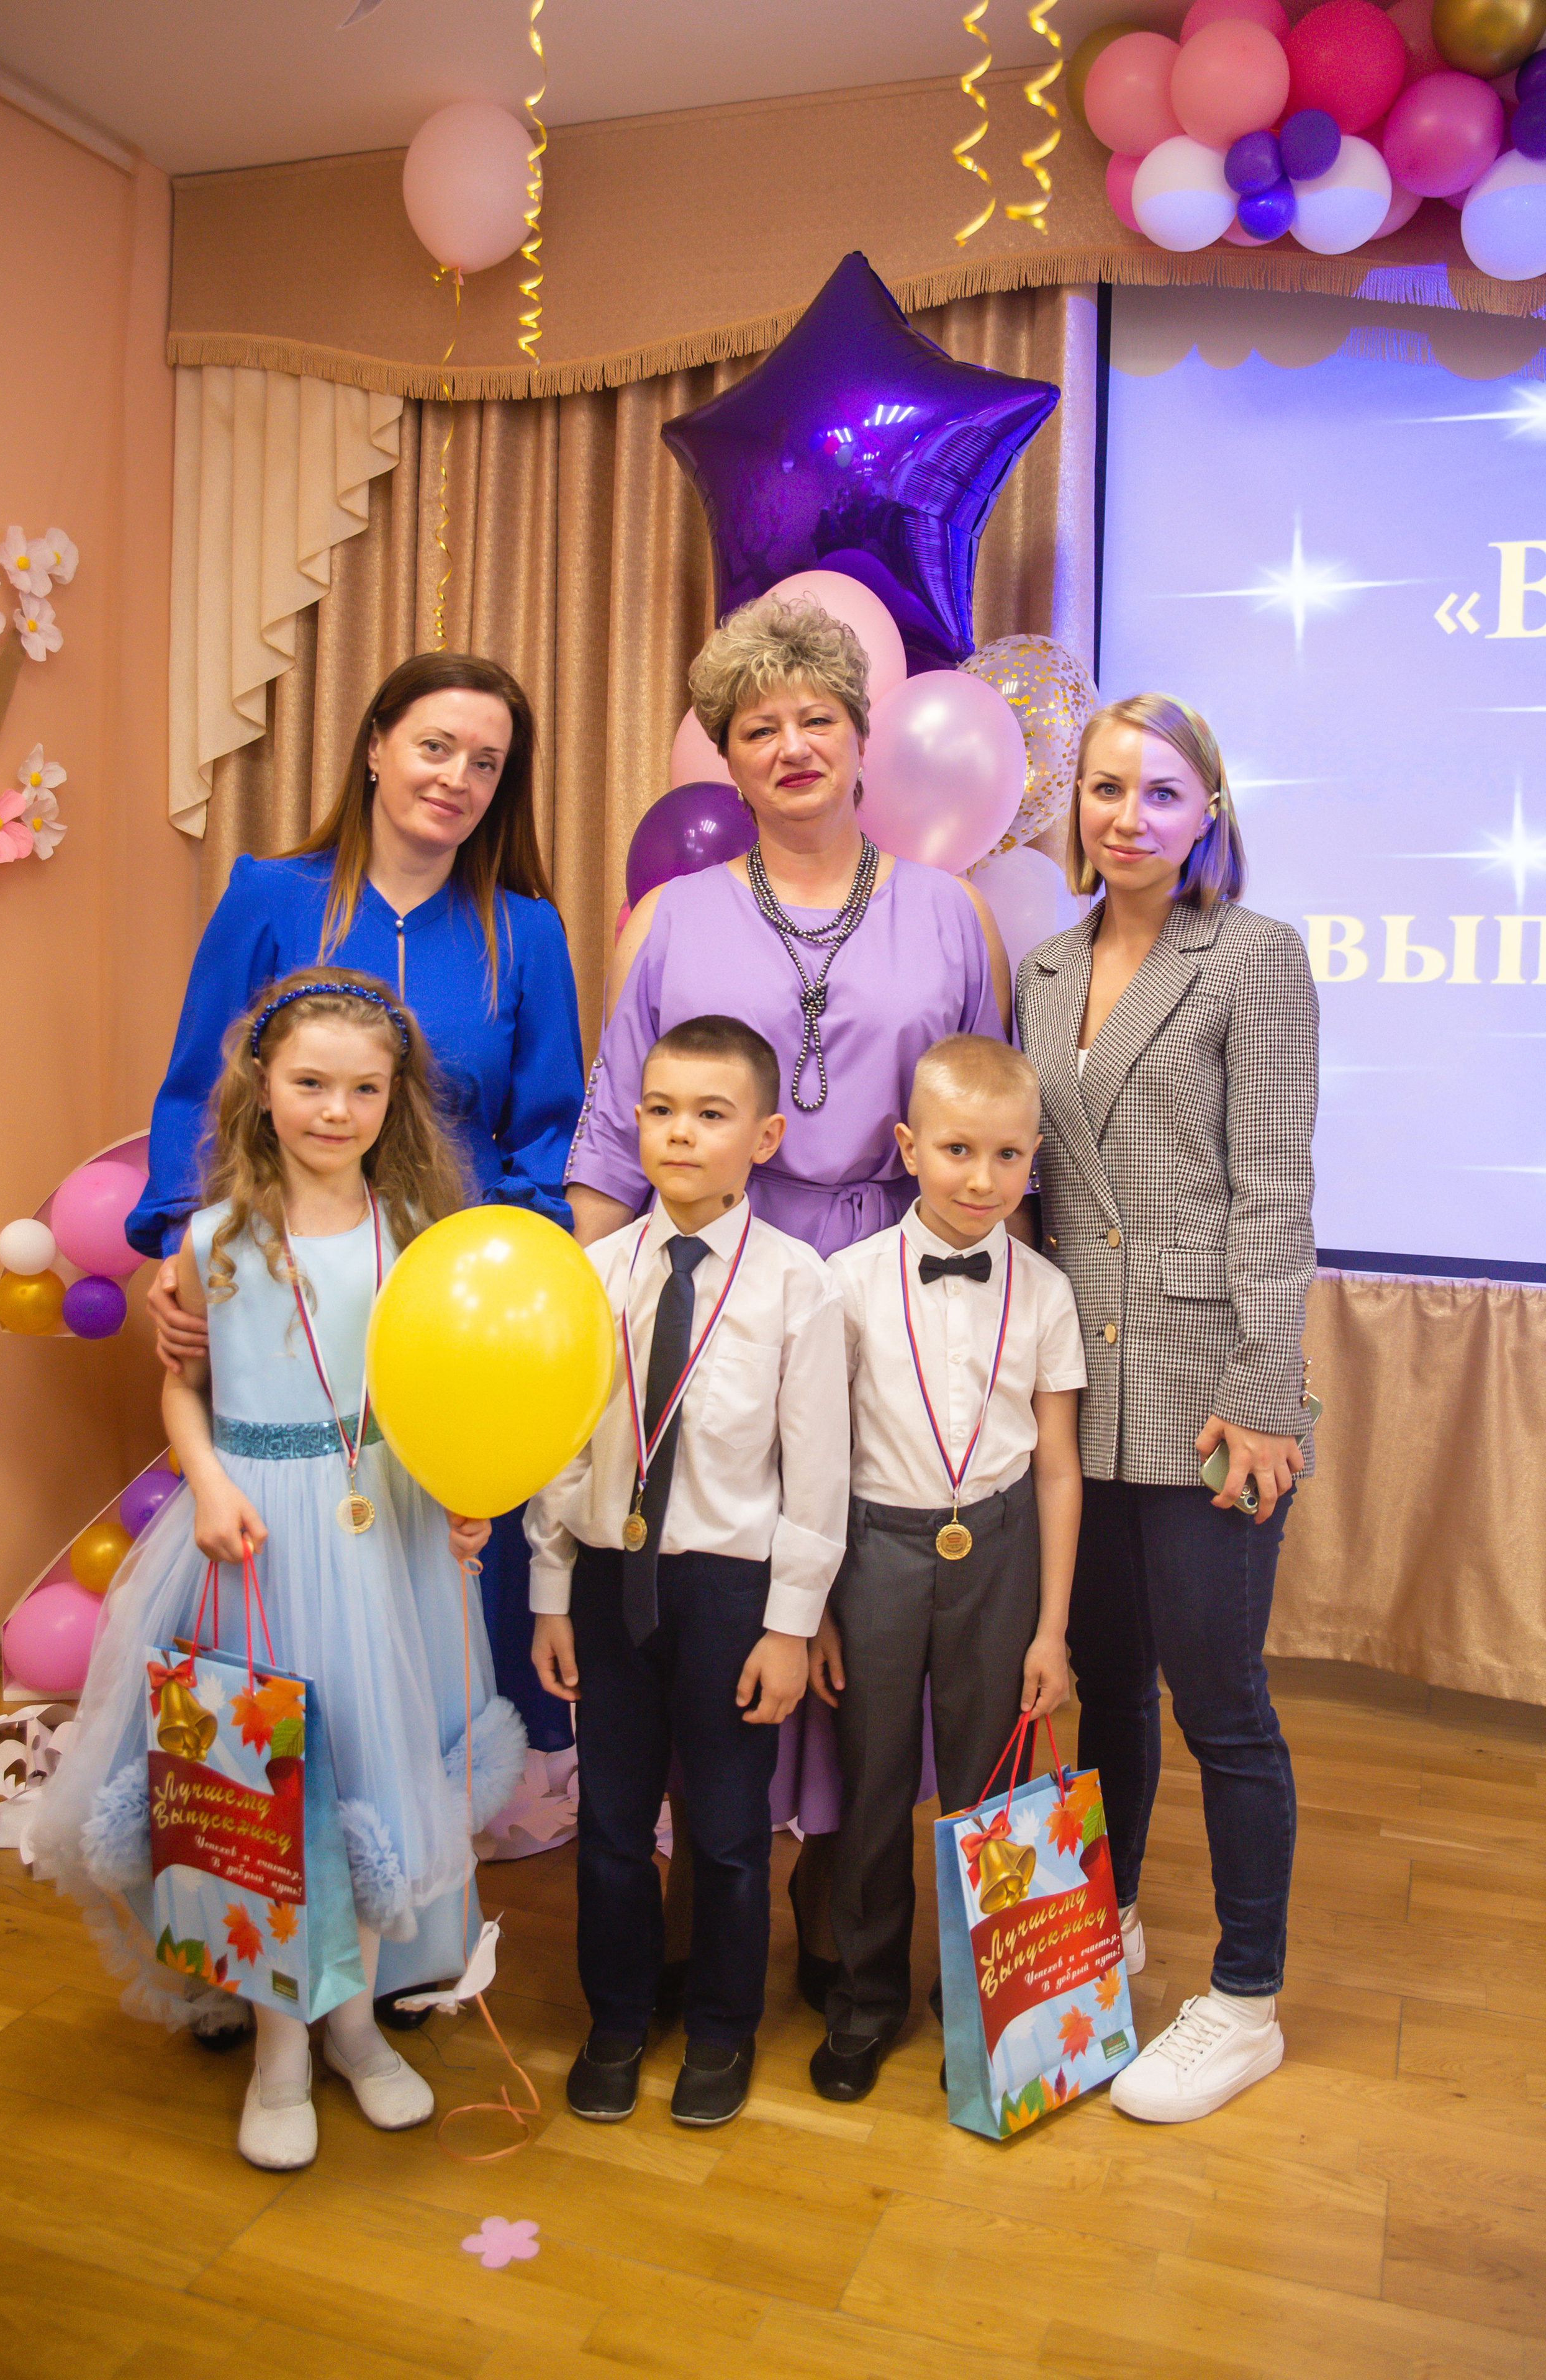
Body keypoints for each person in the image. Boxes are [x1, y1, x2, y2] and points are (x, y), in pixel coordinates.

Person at [564, 593, 1010, 1998]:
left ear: (861, 738)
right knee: (718, 1581)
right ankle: (708, 1894)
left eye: (816, 717)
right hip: (712, 1292)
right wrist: (593, 1328)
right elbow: (607, 1134)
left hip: (886, 1286)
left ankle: (839, 1904)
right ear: (727, 759)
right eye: (759, 727)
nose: (792, 744)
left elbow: (987, 1124)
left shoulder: (951, 916)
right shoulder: (669, 918)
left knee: (858, 1595)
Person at [127, 650, 585, 1998]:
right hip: (283, 1317)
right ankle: (254, 1952)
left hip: (440, 1348)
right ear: (376, 746)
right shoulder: (272, 896)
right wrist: (174, 1243)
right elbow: (190, 1086)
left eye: (486, 762)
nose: (456, 779)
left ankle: (400, 1953)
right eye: (435, 746)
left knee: (416, 1654)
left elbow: (543, 1134)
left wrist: (505, 1305)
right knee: (272, 1664)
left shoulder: (526, 931)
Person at [31, 970, 526, 2170]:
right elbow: (181, 1391)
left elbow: (438, 1387)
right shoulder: (213, 1240)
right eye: (311, 1083)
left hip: (384, 1528)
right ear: (263, 1083)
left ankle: (354, 2026)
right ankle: (278, 2046)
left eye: (364, 1088)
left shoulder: (411, 1236)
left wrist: (463, 1499)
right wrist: (205, 1480)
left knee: (366, 1783)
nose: (335, 1109)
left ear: (395, 1097)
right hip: (252, 1534)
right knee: (265, 1791)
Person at [1015, 692, 1318, 2125]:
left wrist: (1265, 1396)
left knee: (1221, 1704)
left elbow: (1272, 1192)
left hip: (1211, 1394)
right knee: (1100, 1693)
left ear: (1206, 814)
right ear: (1070, 805)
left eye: (1158, 793)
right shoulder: (1038, 967)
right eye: (1101, 788)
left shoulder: (1251, 962)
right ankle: (1112, 1923)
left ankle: (1243, 1997)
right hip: (1079, 1397)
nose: (1124, 815)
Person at [525, 1016, 849, 2127]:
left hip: (729, 1593)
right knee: (611, 1824)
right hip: (613, 1583)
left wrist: (791, 1624)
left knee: (724, 1830)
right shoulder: (594, 1273)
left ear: (765, 1135)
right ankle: (618, 2016)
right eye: (660, 1109)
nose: (679, 1133)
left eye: (711, 1115)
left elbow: (817, 1481)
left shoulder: (798, 1286)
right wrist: (553, 1592)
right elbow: (559, 1447)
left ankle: (721, 2026)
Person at [808, 1035, 1086, 2102]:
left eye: (1008, 1155)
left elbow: (1057, 1467)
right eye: (959, 1150)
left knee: (989, 1789)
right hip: (875, 1549)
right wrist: (819, 1605)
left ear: (1034, 1159)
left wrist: (1052, 1626)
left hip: (1003, 1551)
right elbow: (820, 1462)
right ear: (908, 1148)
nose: (983, 1179)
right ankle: (866, 1998)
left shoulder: (1049, 1291)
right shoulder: (846, 1282)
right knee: (874, 1784)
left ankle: (991, 2006)